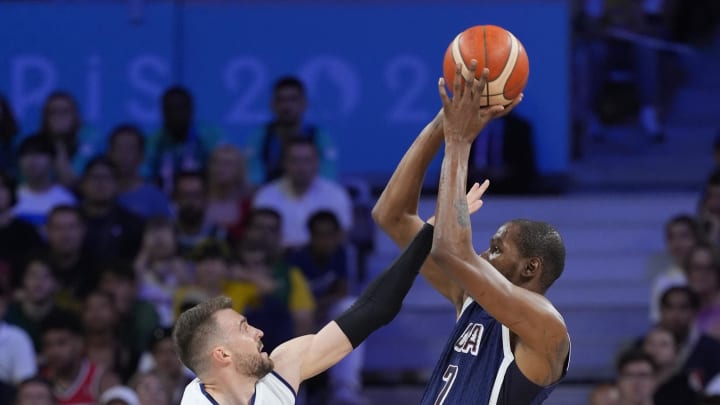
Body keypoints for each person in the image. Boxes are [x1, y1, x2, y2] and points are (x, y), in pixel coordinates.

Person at [373, 62, 569, 404]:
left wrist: (459, 140)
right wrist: (446, 120)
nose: (482, 254)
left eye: (496, 249)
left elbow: (451, 250)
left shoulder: (546, 327)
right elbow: (392, 215)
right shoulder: (472, 300)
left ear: (530, 268)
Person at [173, 212, 436, 403]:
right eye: (244, 328)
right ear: (222, 354)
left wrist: (430, 233)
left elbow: (374, 309)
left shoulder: (283, 367)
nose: (258, 332)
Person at [245, 76, 338, 186]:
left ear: (304, 104)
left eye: (293, 100)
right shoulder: (261, 135)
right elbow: (253, 177)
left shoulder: (319, 135)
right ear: (272, 105)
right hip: (269, 197)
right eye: (281, 100)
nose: (286, 106)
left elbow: (328, 178)